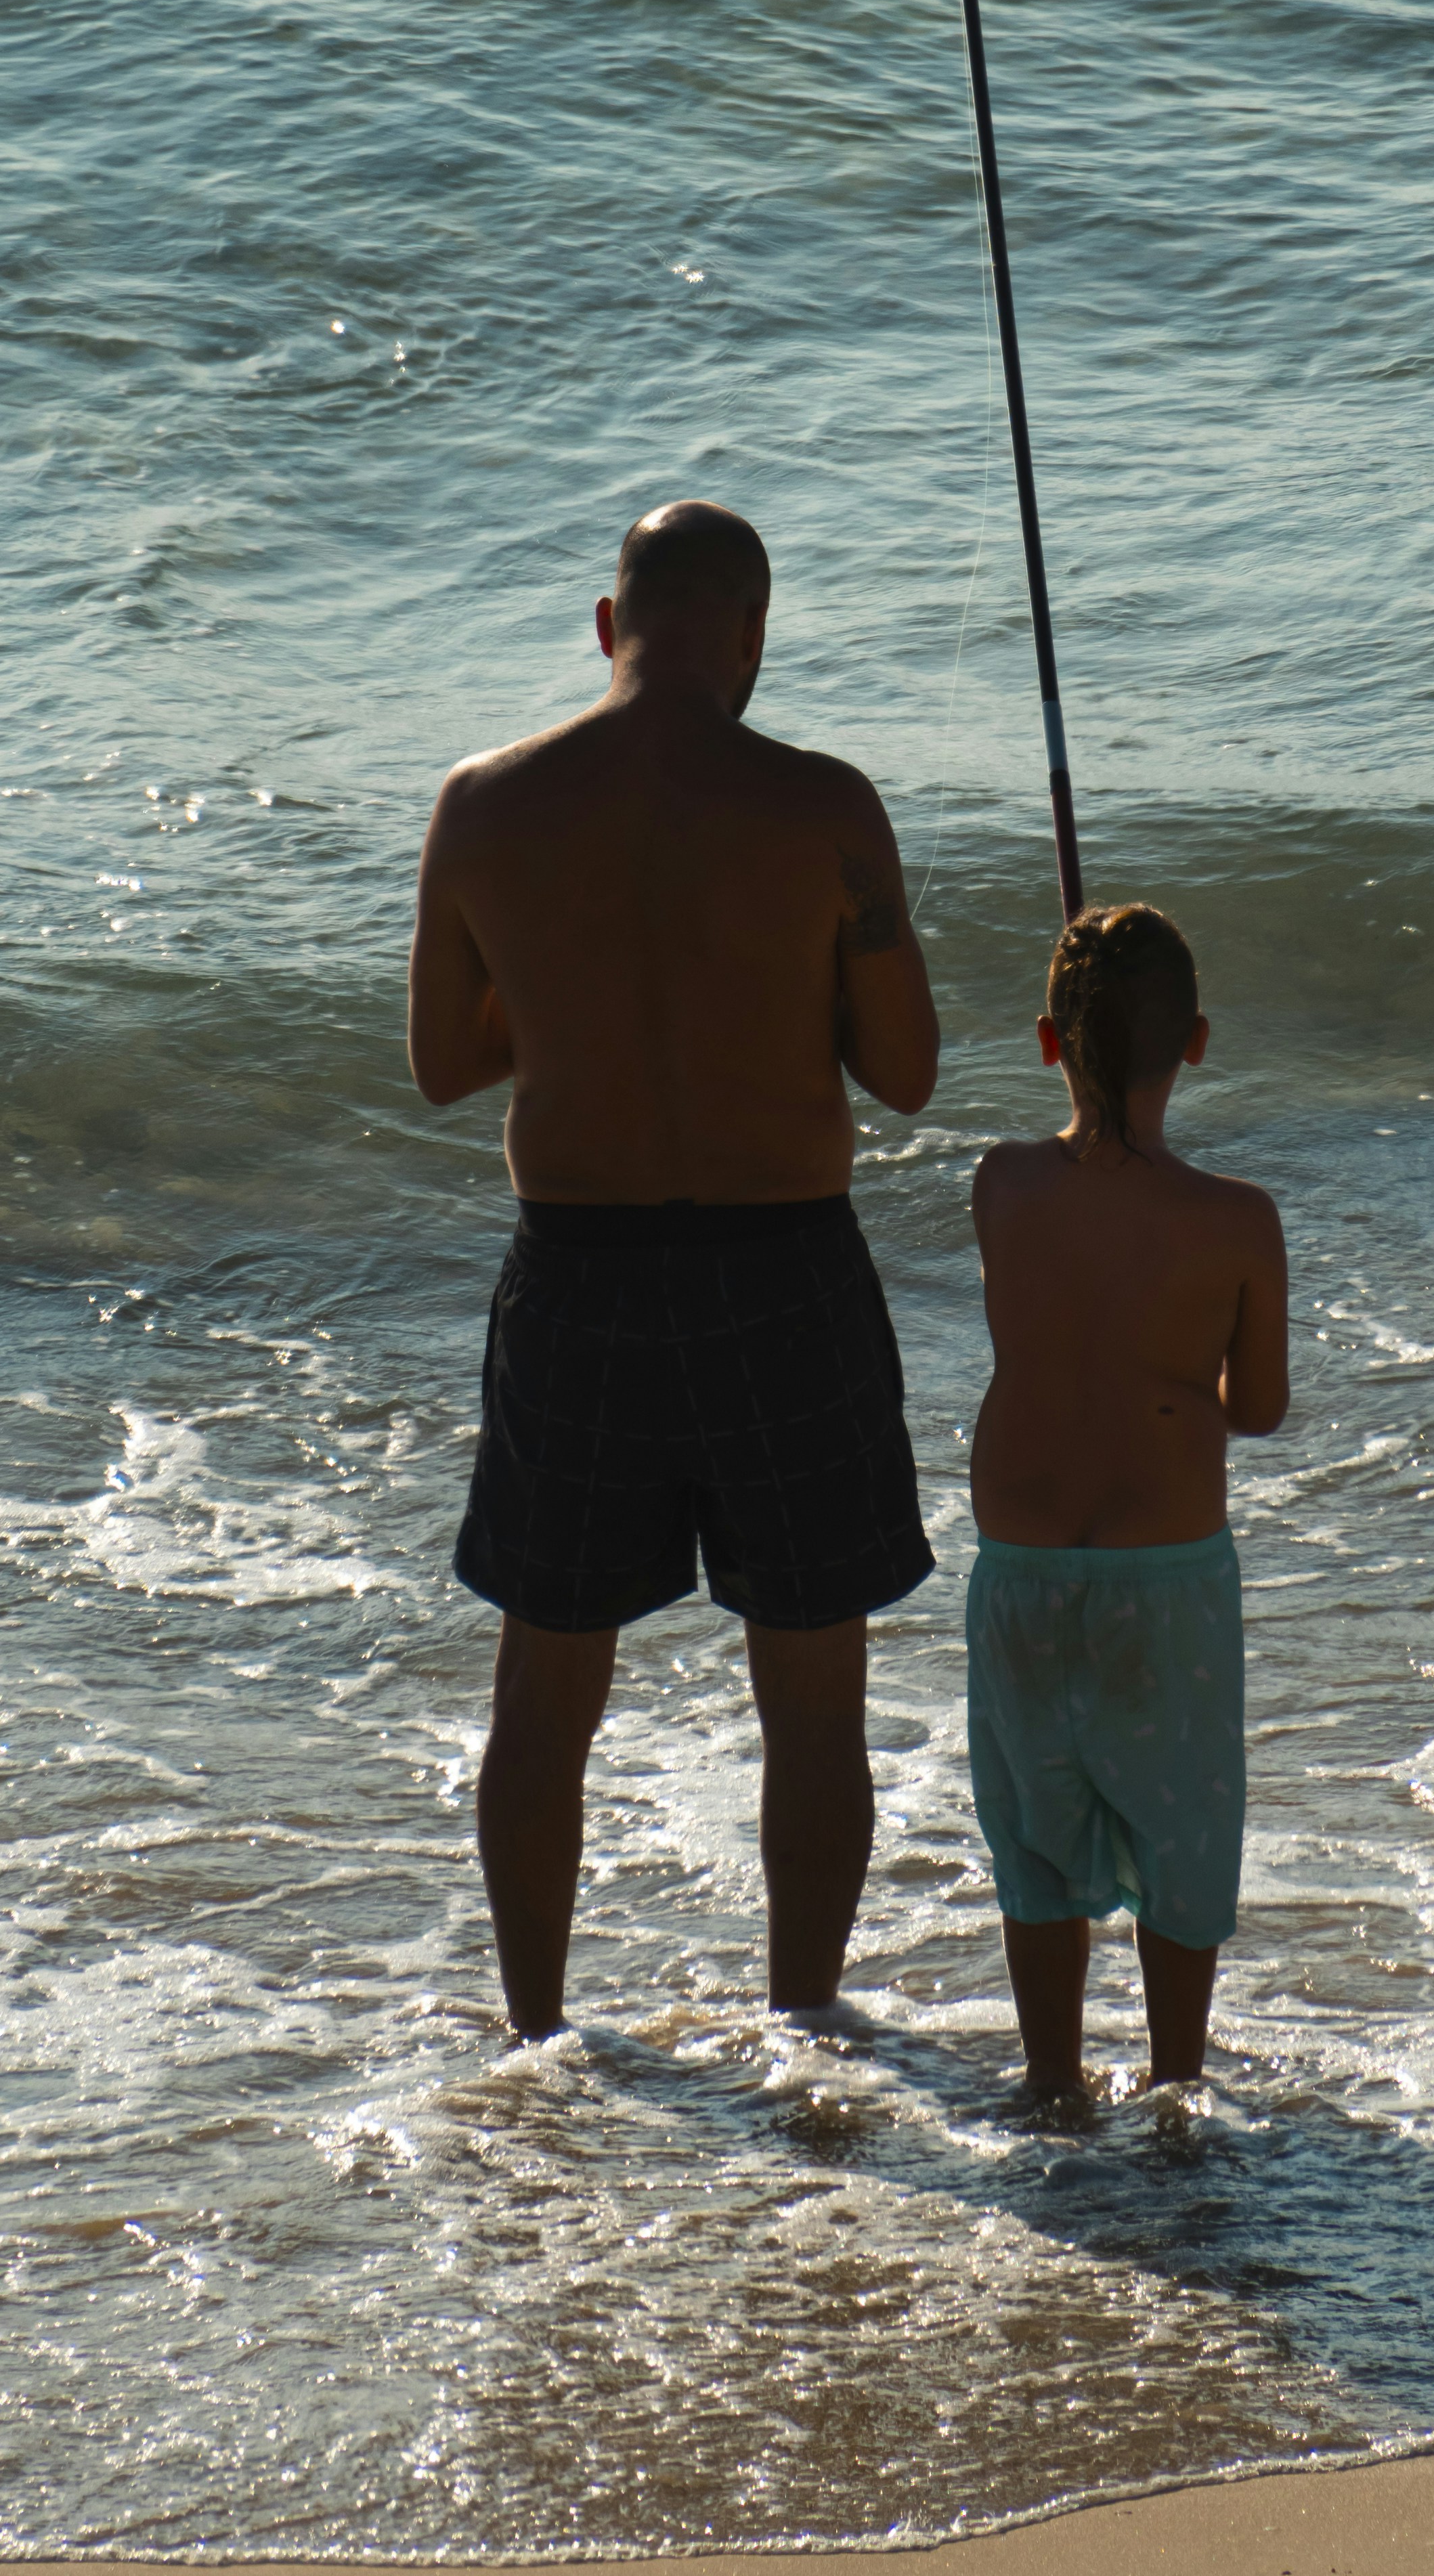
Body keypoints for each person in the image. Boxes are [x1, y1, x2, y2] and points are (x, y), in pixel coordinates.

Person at [406, 498, 940, 2038]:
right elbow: (900, 1072)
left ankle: (535, 2037)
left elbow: (448, 1062)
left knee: (544, 1696)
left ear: (603, 626)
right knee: (812, 1702)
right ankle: (805, 2030)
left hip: (578, 1280)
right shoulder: (824, 807)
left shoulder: (483, 806)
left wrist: (571, 1004)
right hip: (783, 1275)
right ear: (752, 636)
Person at [967, 900, 1288, 2095]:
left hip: (1023, 1572)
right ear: (1196, 1041)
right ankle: (1173, 2089)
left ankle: (1053, 2083)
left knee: (1039, 1846)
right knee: (1182, 1836)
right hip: (1165, 1581)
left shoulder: (1001, 1186)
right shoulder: (1237, 1223)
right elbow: (1255, 1409)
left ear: (1049, 1042)